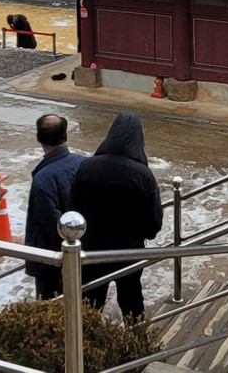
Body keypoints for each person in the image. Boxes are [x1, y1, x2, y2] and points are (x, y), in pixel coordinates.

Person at [71, 113, 163, 323]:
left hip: (91, 251)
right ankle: (137, 346)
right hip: (128, 252)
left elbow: (73, 209)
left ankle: (86, 348)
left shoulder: (87, 167)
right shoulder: (143, 175)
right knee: (132, 301)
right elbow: (154, 224)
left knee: (90, 304)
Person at [24, 114, 85, 299]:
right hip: (80, 247)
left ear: (38, 138)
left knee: (51, 307)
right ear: (65, 136)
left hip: (51, 259)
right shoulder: (82, 163)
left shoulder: (43, 179)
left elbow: (49, 222)